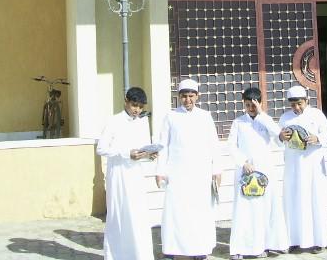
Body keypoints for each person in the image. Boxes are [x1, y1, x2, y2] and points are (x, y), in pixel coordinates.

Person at [155, 78, 222, 260]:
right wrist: (160, 171)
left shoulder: (205, 116)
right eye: (184, 96)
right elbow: (163, 146)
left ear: (197, 96)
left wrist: (216, 169)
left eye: (191, 96)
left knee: (200, 212)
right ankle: (173, 249)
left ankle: (199, 249)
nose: (188, 100)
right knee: (176, 212)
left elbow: (214, 145)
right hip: (177, 173)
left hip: (201, 173)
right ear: (179, 97)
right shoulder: (170, 116)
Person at [227, 87, 289, 260]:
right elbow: (231, 146)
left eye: (254, 105)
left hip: (265, 171)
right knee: (244, 210)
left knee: (267, 208)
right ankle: (241, 248)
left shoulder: (266, 120)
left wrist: (262, 114)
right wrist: (243, 162)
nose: (251, 109)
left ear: (260, 103)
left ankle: (267, 244)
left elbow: (279, 137)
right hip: (245, 171)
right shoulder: (238, 122)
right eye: (247, 105)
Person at [96, 86, 157, 260]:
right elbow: (101, 149)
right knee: (118, 214)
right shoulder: (113, 121)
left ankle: (139, 255)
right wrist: (125, 153)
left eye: (140, 107)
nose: (137, 110)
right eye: (134, 105)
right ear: (126, 102)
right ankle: (117, 255)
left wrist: (149, 155)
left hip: (136, 175)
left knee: (138, 215)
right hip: (118, 174)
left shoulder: (142, 122)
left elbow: (143, 147)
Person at [278, 85, 327, 253]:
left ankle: (319, 240)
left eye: (299, 103)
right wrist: (280, 136)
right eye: (293, 104)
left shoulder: (317, 114)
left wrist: (317, 138)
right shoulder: (285, 117)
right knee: (293, 201)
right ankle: (294, 240)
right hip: (293, 166)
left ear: (306, 101)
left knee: (315, 200)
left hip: (313, 164)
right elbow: (276, 139)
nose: (296, 107)